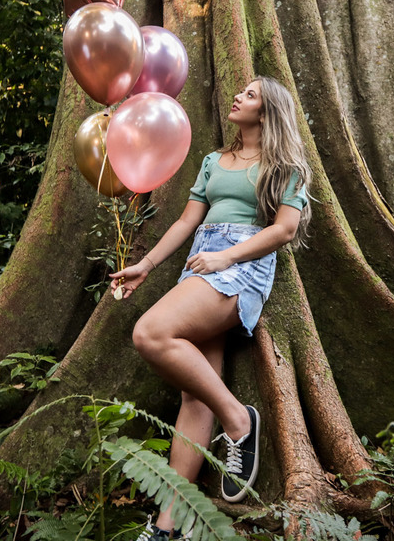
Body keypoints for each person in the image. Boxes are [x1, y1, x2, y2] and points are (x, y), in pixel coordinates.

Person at [110, 75, 311, 540]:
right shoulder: (213, 160)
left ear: (268, 113)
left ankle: (239, 420)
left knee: (150, 333)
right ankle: (169, 525)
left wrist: (227, 257)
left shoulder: (285, 167)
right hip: (200, 263)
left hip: (241, 267)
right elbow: (187, 220)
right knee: (195, 395)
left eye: (250, 94)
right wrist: (146, 265)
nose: (238, 96)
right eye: (241, 90)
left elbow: (284, 229)